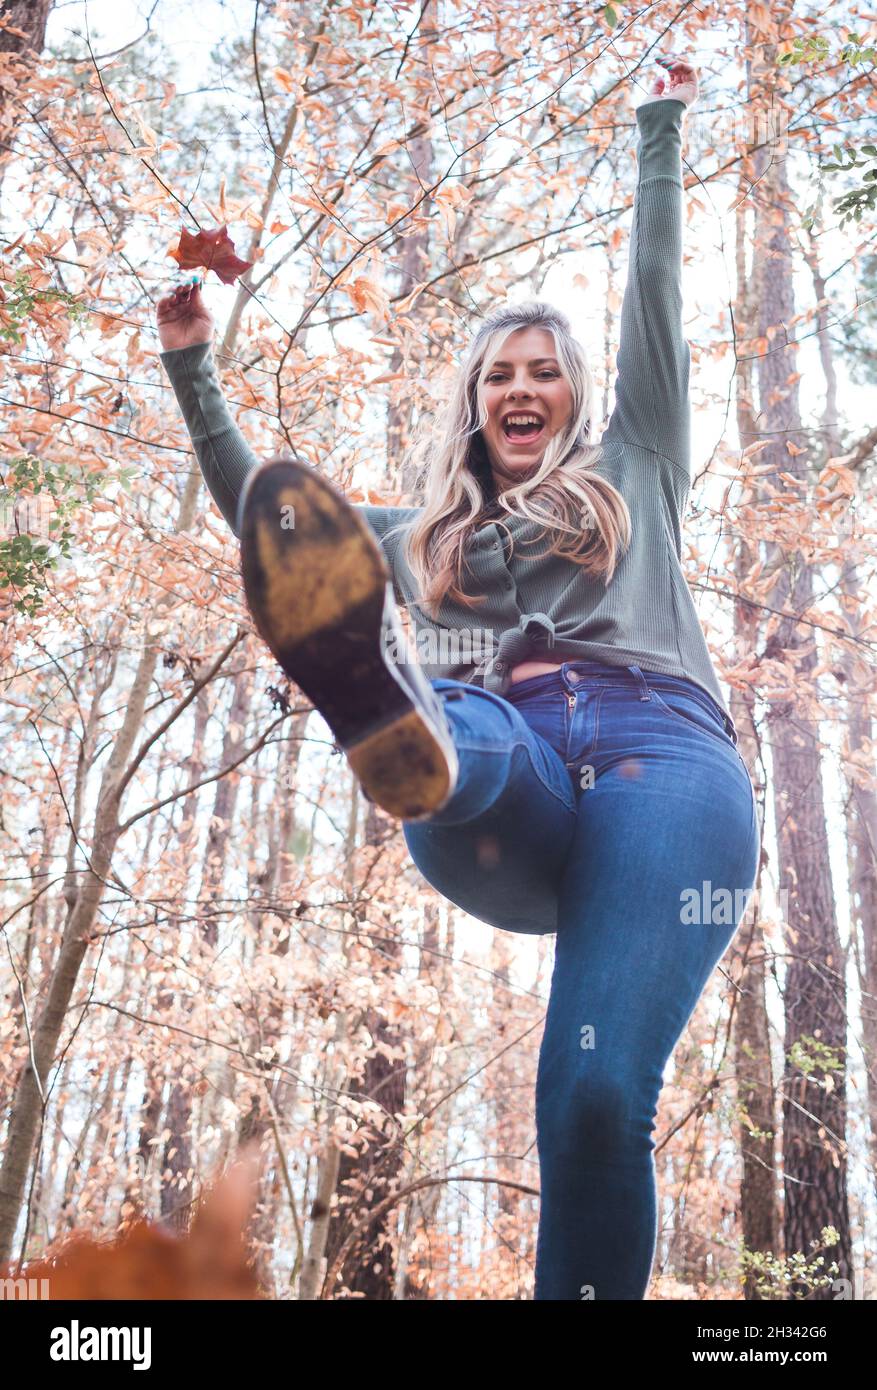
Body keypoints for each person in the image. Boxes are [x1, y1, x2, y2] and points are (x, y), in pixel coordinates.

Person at [156, 56, 759, 1300]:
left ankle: (418, 715)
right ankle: (404, 721)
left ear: (577, 396)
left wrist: (657, 126)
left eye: (542, 370)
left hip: (667, 777)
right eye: (498, 375)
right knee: (464, 704)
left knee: (593, 1095)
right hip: (502, 791)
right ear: (474, 404)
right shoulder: (416, 541)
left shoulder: (638, 463)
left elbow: (655, 300)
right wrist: (191, 371)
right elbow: (267, 518)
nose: (521, 387)